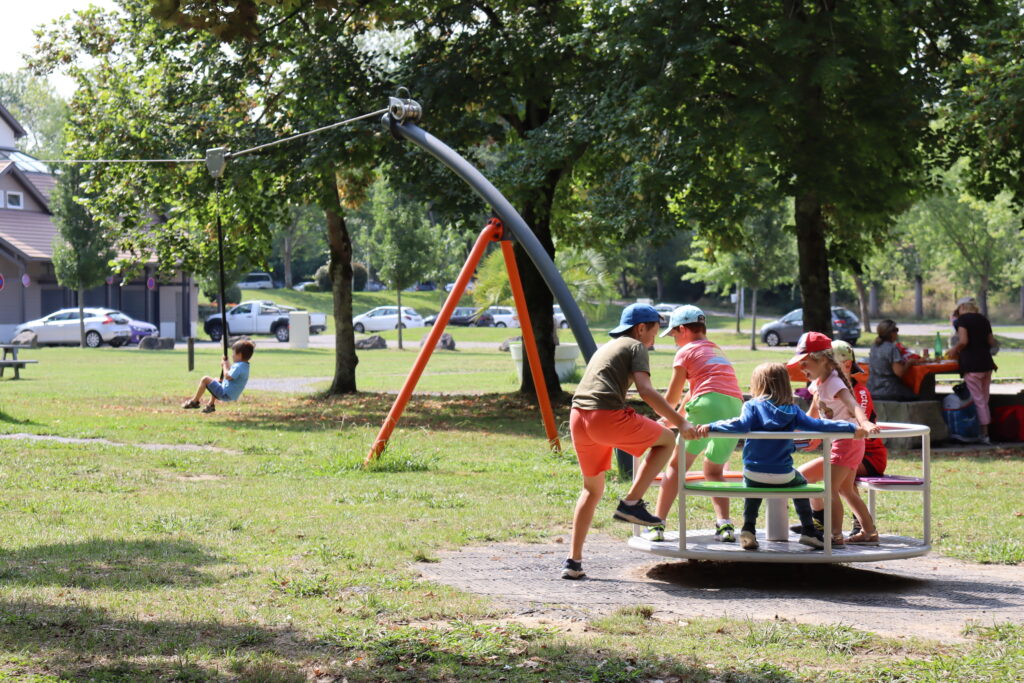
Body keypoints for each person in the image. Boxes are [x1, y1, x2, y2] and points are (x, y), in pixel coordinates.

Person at [563, 304, 695, 580]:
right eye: (654, 332)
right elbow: (646, 391)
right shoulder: (636, 347)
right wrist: (680, 421)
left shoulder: (607, 347)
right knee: (667, 440)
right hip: (605, 416)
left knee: (591, 490)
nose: (654, 338)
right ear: (641, 328)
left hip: (578, 418)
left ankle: (573, 562)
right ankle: (632, 502)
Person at [695, 362, 865, 550]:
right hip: (783, 474)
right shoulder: (792, 411)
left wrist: (712, 426)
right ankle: (809, 529)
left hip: (753, 472)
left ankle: (748, 528)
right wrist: (850, 427)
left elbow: (739, 425)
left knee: (754, 485)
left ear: (758, 384)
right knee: (801, 483)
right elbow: (819, 425)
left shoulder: (752, 406)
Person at [643, 305, 744, 544]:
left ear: (683, 330)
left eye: (674, 335)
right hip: (735, 408)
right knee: (714, 470)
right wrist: (671, 418)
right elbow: (694, 393)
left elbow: (674, 396)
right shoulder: (715, 350)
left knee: (676, 467)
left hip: (707, 405)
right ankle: (724, 524)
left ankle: (657, 523)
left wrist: (659, 416)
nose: (674, 340)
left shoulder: (686, 351)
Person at [788, 333, 880, 546]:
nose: (802, 369)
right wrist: (805, 431)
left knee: (830, 489)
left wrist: (864, 423)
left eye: (805, 364)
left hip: (847, 440)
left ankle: (834, 535)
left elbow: (853, 404)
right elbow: (814, 410)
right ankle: (869, 531)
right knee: (845, 490)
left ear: (822, 360)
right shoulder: (819, 381)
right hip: (840, 441)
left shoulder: (835, 382)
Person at [950, 300, 998, 445]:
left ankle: (983, 433)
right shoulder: (984, 319)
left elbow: (963, 341)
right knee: (984, 398)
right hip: (986, 363)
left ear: (962, 308)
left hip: (971, 364)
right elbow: (991, 341)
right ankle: (985, 431)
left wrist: (954, 350)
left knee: (977, 400)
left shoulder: (962, 320)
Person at [182, 339, 254, 413]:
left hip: (225, 394)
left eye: (233, 353)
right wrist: (226, 363)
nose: (232, 355)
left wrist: (224, 365)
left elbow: (227, 376)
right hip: (231, 395)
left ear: (239, 355)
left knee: (205, 379)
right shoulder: (244, 366)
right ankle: (210, 405)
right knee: (216, 380)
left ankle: (194, 401)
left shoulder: (238, 366)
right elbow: (231, 372)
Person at [867, 320, 918, 401]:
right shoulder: (892, 348)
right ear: (891, 333)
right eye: (896, 330)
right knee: (918, 395)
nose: (897, 333)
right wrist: (909, 363)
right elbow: (899, 372)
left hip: (872, 388)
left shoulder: (874, 346)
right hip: (889, 390)